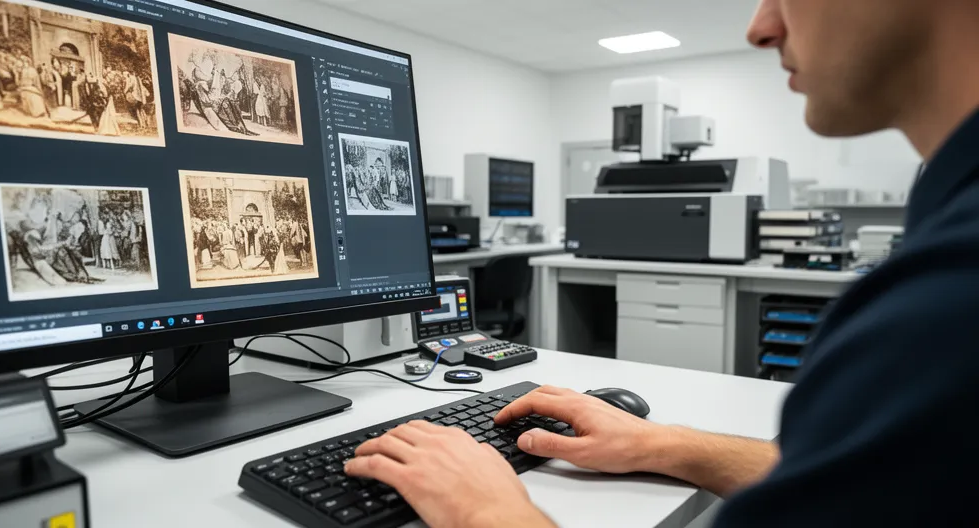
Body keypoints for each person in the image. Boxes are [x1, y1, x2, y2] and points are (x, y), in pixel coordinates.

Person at [344, 1, 979, 526]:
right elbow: (865, 488)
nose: (761, 26)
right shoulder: (946, 252)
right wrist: (665, 444)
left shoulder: (947, 298)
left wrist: (485, 510)